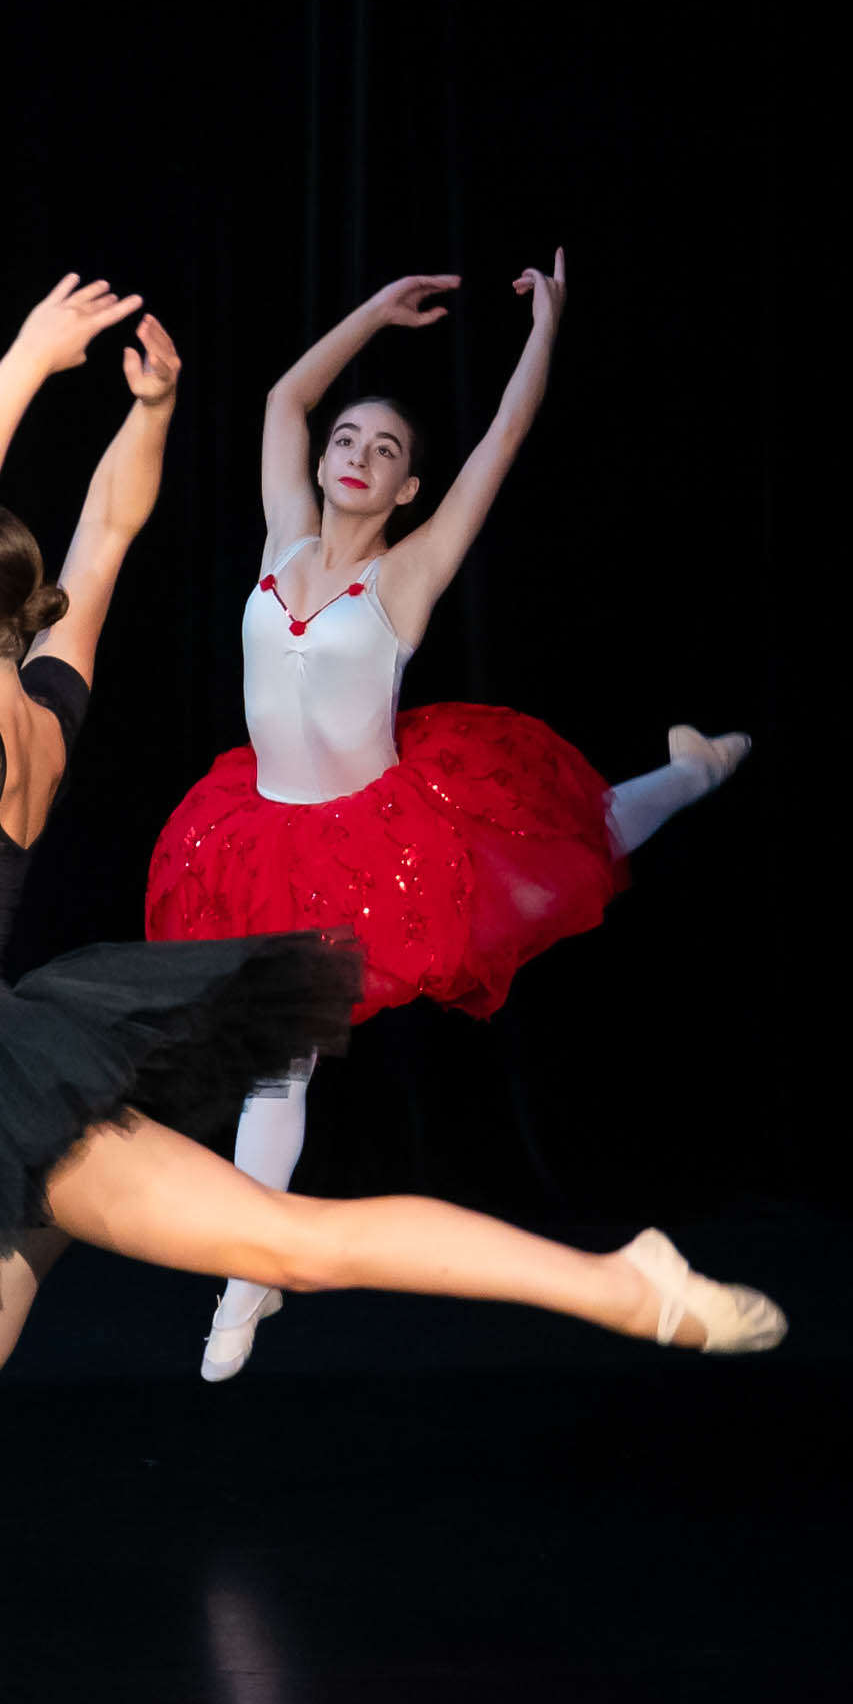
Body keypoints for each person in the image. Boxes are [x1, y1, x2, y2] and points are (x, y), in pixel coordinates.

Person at [0, 276, 782, 1704]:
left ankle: (622, 1280)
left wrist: (34, 361)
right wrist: (151, 411)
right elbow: (106, 535)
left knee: (287, 1243)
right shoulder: (42, 693)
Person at [150, 255, 751, 1379]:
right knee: (279, 1064)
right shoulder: (282, 537)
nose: (357, 455)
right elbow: (283, 398)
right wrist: (375, 313)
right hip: (261, 834)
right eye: (347, 439)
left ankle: (693, 773)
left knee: (579, 839)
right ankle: (249, 1278)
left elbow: (501, 443)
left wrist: (545, 330)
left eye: (385, 450)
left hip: (378, 836)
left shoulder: (408, 576)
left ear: (407, 489)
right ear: (321, 464)